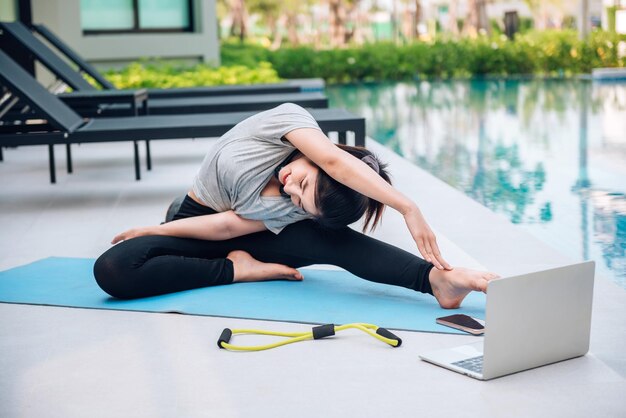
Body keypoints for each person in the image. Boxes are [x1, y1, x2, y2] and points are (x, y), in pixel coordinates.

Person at [94, 103, 499, 307]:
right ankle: (237, 270)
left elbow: (234, 227)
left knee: (327, 239)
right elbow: (216, 226)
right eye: (304, 182)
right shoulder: (289, 122)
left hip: (236, 233)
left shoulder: (297, 205)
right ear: (322, 158)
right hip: (193, 222)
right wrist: (408, 208)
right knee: (113, 269)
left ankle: (435, 281)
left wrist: (307, 208)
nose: (292, 192)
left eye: (302, 201)